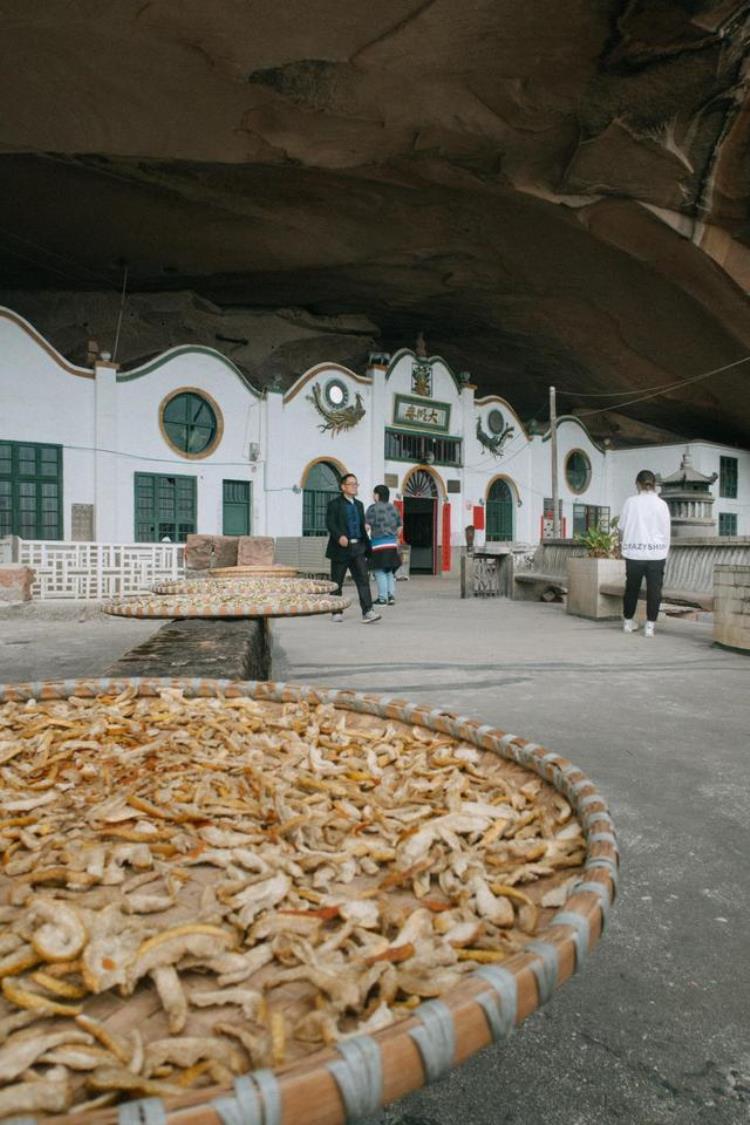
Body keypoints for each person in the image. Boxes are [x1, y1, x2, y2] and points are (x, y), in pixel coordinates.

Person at [619, 469, 671, 637]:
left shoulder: (630, 502)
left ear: (637, 484)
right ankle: (650, 627)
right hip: (656, 554)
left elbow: (621, 527)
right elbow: (666, 530)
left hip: (634, 553)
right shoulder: (662, 505)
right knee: (654, 591)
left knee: (631, 589)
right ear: (654, 485)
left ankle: (628, 622)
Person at [325, 473, 381, 624]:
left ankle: (368, 611)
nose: (355, 487)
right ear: (343, 487)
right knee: (337, 581)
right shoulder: (334, 504)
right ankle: (336, 611)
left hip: (358, 548)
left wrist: (366, 544)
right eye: (351, 484)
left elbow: (361, 526)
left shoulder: (359, 505)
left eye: (356, 484)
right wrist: (339, 536)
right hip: (341, 548)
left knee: (363, 580)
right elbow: (330, 523)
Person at [365, 484, 402, 606]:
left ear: (377, 495)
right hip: (392, 543)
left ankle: (382, 598)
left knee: (379, 570)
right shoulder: (394, 508)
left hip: (378, 544)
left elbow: (367, 526)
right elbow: (400, 526)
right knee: (389, 570)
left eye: (374, 494)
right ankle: (391, 596)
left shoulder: (372, 508)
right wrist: (394, 537)